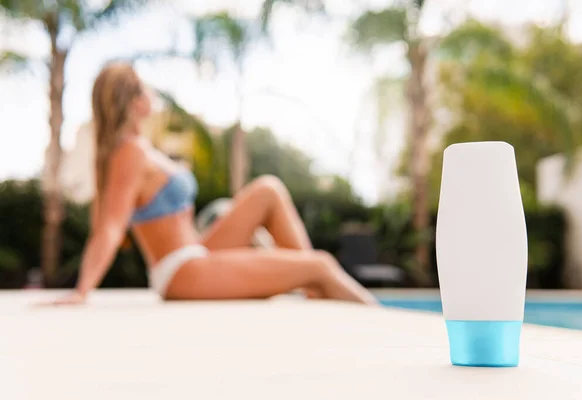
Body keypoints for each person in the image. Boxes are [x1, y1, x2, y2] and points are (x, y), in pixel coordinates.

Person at [48, 62, 378, 306]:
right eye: (145, 88)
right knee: (321, 264)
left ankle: (306, 282)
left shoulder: (139, 148)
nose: (151, 94)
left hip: (196, 252)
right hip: (181, 271)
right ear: (134, 101)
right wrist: (81, 291)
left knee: (268, 190)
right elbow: (110, 227)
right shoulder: (129, 153)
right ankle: (356, 304)